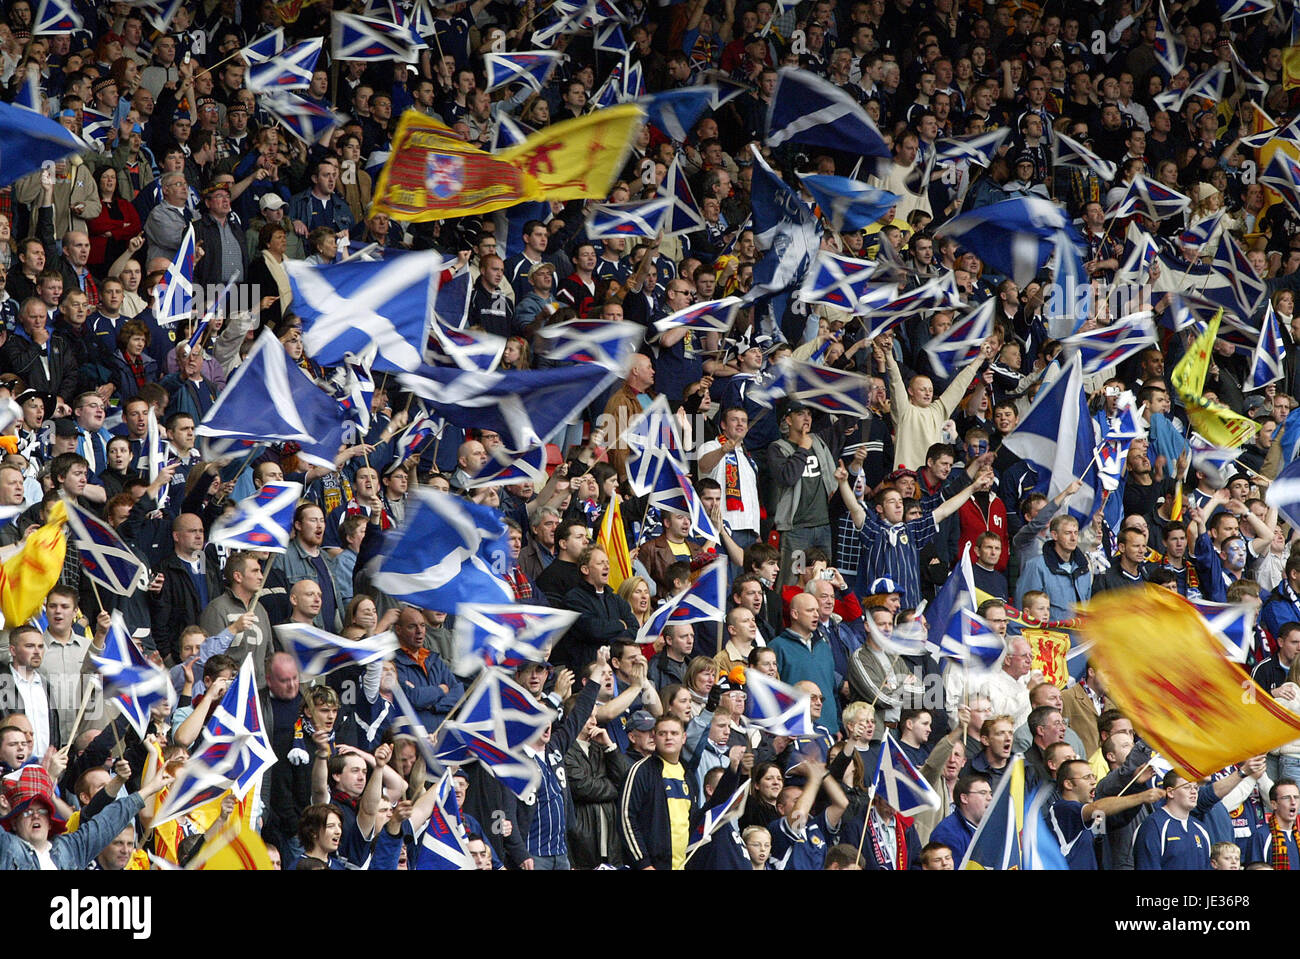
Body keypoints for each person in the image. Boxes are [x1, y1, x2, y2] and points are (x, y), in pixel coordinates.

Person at [1133, 771, 1214, 870]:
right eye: (1187, 787)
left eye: (1195, 788)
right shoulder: (1153, 826)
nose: (1193, 792)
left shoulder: (1201, 828)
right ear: (1171, 792)